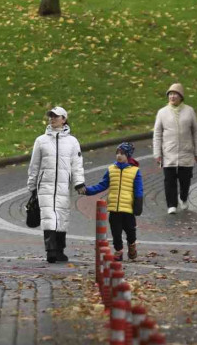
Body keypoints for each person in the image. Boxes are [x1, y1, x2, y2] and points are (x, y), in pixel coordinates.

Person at [26, 106, 86, 263]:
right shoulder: (41, 141)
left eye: (56, 116)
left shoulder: (73, 142)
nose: (52, 119)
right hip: (45, 185)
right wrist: (32, 186)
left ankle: (60, 250)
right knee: (48, 216)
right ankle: (51, 251)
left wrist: (79, 183)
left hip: (63, 186)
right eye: (50, 116)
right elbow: (34, 165)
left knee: (62, 217)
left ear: (64, 119)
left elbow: (77, 164)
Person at [84, 142, 144, 261]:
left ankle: (132, 246)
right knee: (116, 232)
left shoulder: (135, 171)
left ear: (128, 155)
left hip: (128, 208)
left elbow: (139, 189)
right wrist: (87, 191)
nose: (119, 156)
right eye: (117, 153)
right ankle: (119, 251)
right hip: (114, 208)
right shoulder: (111, 169)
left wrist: (138, 204)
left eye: (122, 153)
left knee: (130, 230)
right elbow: (102, 185)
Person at [153, 83, 197, 214]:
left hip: (186, 153)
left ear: (181, 97)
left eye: (175, 94)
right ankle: (171, 205)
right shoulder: (162, 112)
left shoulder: (189, 111)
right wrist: (157, 153)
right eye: (170, 94)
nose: (172, 96)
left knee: (185, 180)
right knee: (169, 180)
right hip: (168, 153)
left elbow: (196, 131)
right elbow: (157, 134)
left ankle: (183, 198)